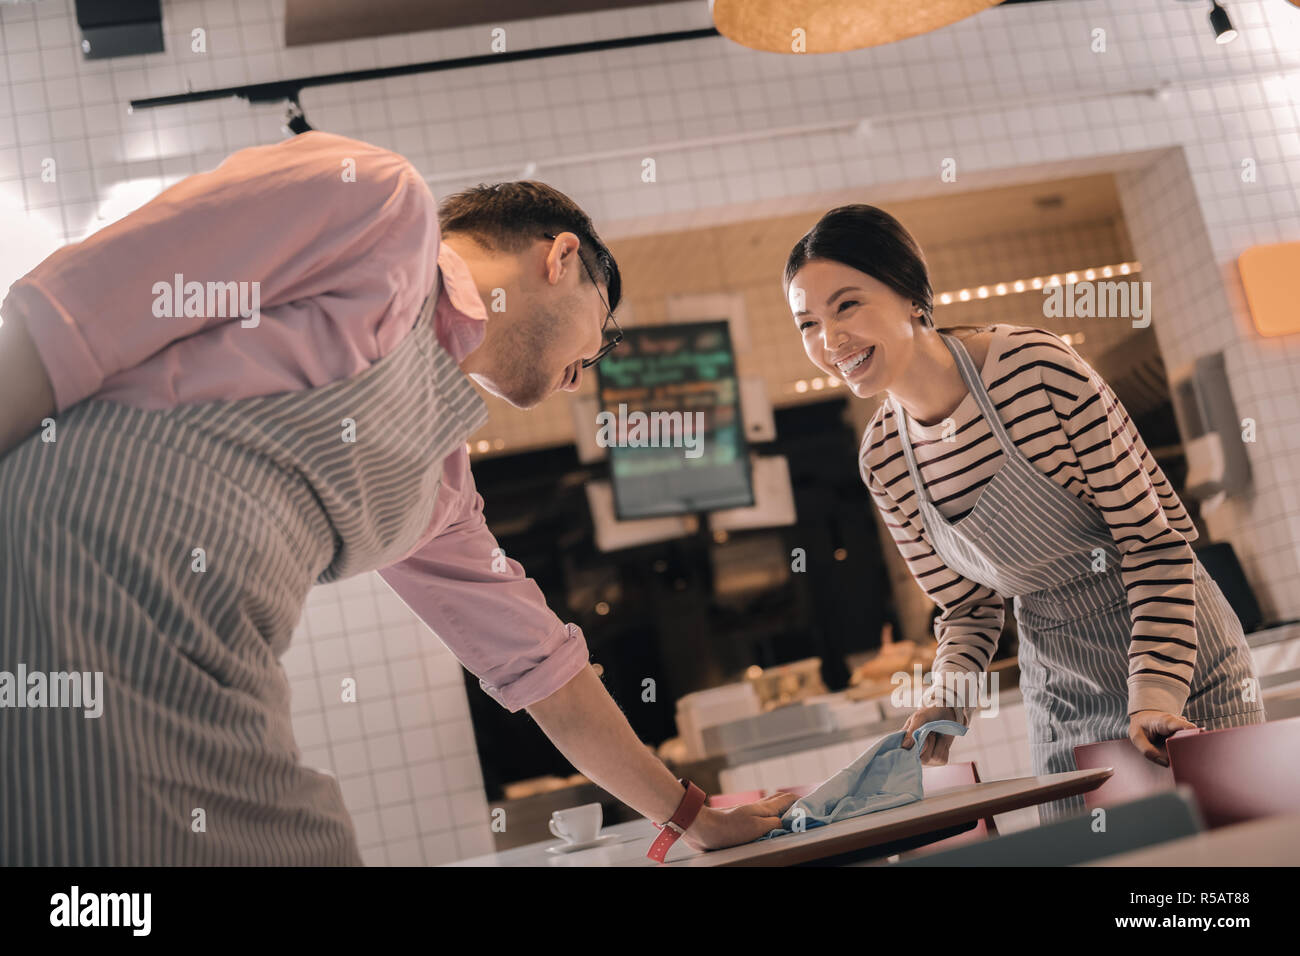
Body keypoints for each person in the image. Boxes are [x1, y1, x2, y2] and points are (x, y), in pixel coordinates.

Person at [0, 130, 794, 864]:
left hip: (211, 671)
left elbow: (544, 670)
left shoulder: (438, 488)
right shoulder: (374, 202)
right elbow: (67, 318)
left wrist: (692, 817)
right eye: (603, 325)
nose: (596, 358)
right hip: (71, 583)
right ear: (561, 258)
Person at [783, 204, 1263, 822]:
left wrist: (1155, 693)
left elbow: (1153, 543)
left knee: (1228, 872)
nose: (830, 340)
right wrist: (947, 697)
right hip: (1059, 681)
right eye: (807, 324)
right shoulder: (883, 457)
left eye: (846, 305)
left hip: (1179, 653)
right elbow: (966, 606)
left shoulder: (1038, 371)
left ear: (910, 294)